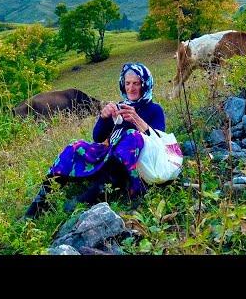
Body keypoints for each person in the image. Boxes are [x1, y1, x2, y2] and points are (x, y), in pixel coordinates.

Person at [23, 62, 166, 219]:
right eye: (127, 83)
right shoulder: (120, 107)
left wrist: (137, 120)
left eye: (136, 83)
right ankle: (39, 205)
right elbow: (97, 137)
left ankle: (88, 197)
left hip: (133, 164)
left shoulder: (154, 110)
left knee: (132, 136)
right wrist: (103, 118)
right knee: (75, 146)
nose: (131, 88)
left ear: (145, 85)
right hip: (108, 155)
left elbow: (159, 141)